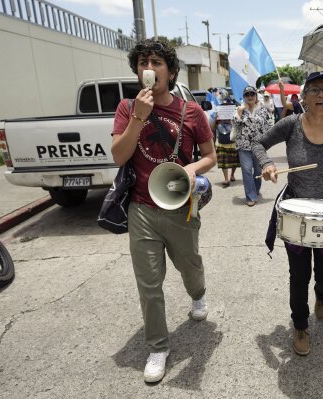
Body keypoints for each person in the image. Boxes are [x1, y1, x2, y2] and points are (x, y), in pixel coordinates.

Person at [110, 39, 217, 383]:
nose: (149, 67)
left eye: (157, 62)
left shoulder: (192, 112)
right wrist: (138, 119)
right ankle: (158, 346)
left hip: (181, 207)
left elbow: (210, 157)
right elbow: (119, 155)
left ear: (171, 72)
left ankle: (198, 294)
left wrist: (193, 169)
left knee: (189, 265)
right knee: (149, 283)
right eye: (143, 62)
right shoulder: (128, 108)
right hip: (142, 208)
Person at [252, 71, 323, 356]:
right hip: (296, 210)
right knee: (298, 275)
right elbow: (257, 144)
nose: (321, 95)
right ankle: (300, 325)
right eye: (314, 90)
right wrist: (266, 164)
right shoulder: (291, 125)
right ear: (303, 97)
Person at [232, 85, 273, 206]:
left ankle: (255, 189)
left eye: (252, 94)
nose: (250, 96)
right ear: (244, 97)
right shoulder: (239, 109)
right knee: (246, 170)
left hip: (258, 146)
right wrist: (239, 112)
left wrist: (267, 143)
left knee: (258, 171)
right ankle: (250, 196)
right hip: (243, 145)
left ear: (256, 96)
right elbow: (235, 125)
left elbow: (268, 127)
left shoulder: (263, 110)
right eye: (247, 95)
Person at [215, 96, 240, 187]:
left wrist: (232, 121)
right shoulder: (218, 114)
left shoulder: (236, 113)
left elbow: (239, 125)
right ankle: (226, 178)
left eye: (228, 105)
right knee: (223, 161)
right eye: (224, 105)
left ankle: (232, 175)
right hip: (221, 140)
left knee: (234, 160)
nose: (226, 106)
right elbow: (213, 127)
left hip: (232, 140)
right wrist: (216, 119)